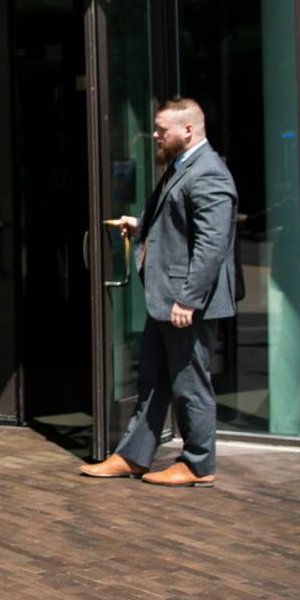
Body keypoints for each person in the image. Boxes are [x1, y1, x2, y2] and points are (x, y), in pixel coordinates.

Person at [78, 98, 238, 487]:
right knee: (153, 381)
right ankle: (133, 456)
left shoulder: (209, 174)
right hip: (166, 299)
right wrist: (140, 225)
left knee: (190, 385)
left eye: (161, 129)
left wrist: (188, 299)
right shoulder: (182, 169)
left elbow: (212, 244)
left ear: (187, 130)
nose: (155, 136)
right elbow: (181, 226)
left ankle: (199, 464)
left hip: (184, 303)